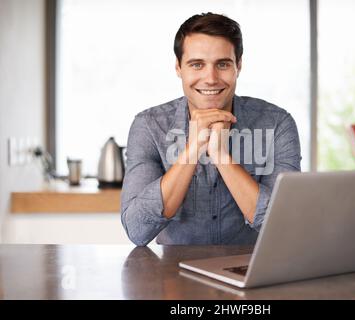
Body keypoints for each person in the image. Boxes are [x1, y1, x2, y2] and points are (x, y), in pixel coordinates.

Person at [121, 12, 301, 246]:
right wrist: (193, 148)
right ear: (178, 67)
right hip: (173, 275)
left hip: (252, 271)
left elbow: (285, 226)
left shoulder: (278, 123)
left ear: (239, 65)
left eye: (223, 64)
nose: (211, 78)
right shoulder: (148, 125)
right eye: (197, 65)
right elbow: (137, 229)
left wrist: (220, 156)